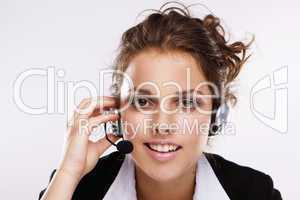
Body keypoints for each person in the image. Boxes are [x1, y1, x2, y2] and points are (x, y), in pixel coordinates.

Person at [38, 2, 282, 200]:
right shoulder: (77, 188)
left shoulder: (254, 192)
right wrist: (69, 172)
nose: (162, 125)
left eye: (187, 103)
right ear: (117, 115)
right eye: (143, 102)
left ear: (216, 114)